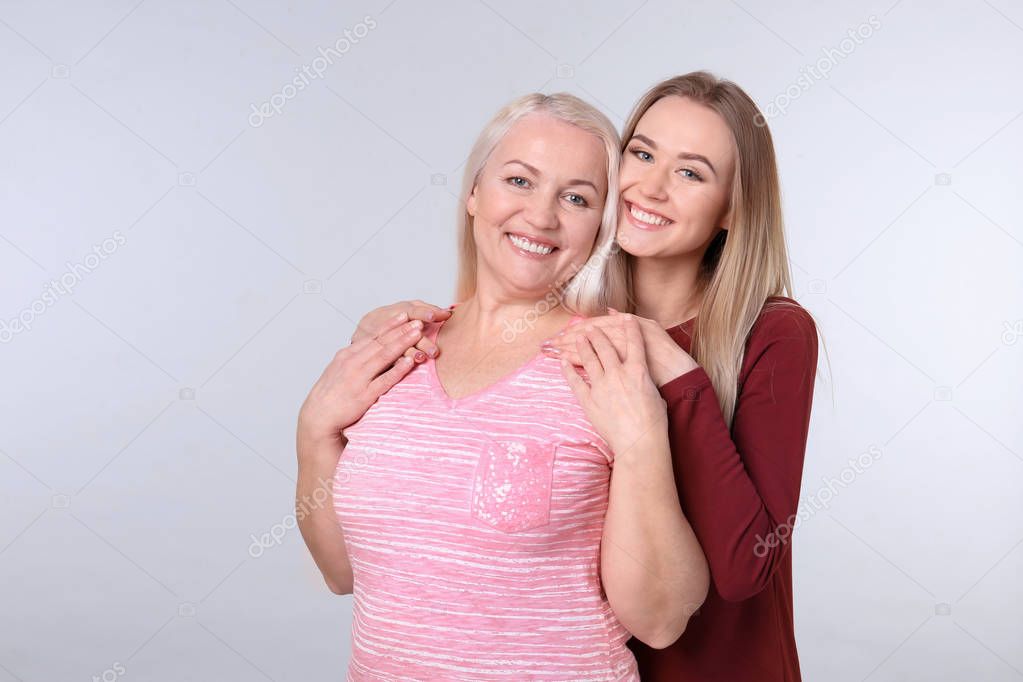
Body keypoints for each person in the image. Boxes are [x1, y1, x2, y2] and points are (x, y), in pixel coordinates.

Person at [354, 71, 820, 681]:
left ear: (733, 206)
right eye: (642, 153)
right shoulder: (572, 319)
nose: (649, 187)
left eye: (690, 172)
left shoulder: (773, 332)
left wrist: (680, 378)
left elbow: (743, 568)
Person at [296, 91, 708, 680]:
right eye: (519, 181)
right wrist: (314, 434)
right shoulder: (398, 349)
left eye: (576, 197)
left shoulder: (605, 362)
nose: (542, 216)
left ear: (602, 225)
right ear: (473, 193)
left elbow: (662, 619)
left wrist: (642, 442)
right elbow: (344, 573)